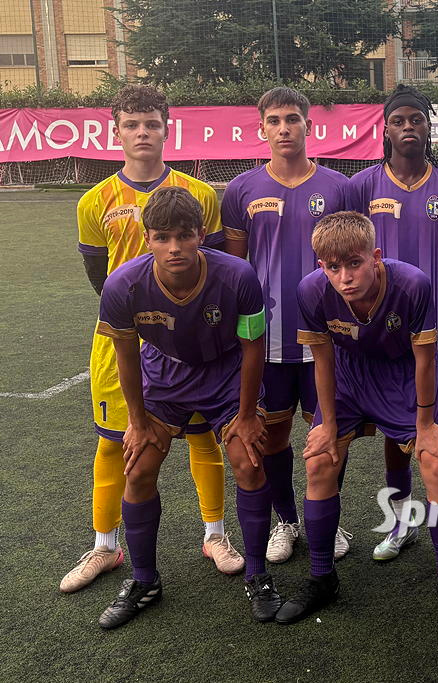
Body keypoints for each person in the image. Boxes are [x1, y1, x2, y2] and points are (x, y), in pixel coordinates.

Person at [64, 84, 241, 594]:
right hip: (120, 340)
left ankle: (215, 535)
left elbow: (214, 267)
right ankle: (105, 546)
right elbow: (100, 277)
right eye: (131, 125)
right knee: (114, 440)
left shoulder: (200, 194)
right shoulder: (94, 201)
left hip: (191, 339)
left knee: (202, 435)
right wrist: (137, 317)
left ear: (167, 129)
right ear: (116, 132)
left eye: (151, 124)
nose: (142, 133)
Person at [94, 187, 278, 629]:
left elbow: (253, 347)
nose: (174, 247)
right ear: (147, 238)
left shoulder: (237, 276)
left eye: (184, 236)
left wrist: (247, 415)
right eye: (162, 237)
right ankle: (144, 580)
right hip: (165, 375)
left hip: (226, 373)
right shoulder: (123, 285)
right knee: (138, 468)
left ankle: (258, 575)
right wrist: (137, 422)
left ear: (201, 234)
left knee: (249, 461)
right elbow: (126, 357)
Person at [277, 211, 438, 630]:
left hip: (404, 377)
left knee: (436, 464)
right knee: (319, 462)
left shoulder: (412, 284)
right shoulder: (311, 291)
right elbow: (322, 359)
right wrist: (327, 424)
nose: (345, 277)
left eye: (354, 263)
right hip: (348, 379)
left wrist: (425, 426)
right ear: (321, 266)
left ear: (376, 257)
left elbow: (425, 359)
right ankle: (322, 578)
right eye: (333, 267)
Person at [348, 85, 438, 562]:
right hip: (383, 337)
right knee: (395, 431)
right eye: (399, 120)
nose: (409, 127)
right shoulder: (362, 187)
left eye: (417, 119)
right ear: (385, 129)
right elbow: (346, 256)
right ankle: (400, 523)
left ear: (429, 127)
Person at [223, 87, 352, 564]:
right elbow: (235, 271)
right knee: (272, 436)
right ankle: (287, 521)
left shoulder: (339, 187)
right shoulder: (241, 190)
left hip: (327, 340)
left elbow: (352, 262)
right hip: (267, 342)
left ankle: (327, 520)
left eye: (292, 119)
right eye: (274, 120)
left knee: (329, 436)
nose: (284, 128)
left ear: (308, 127)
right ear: (261, 128)